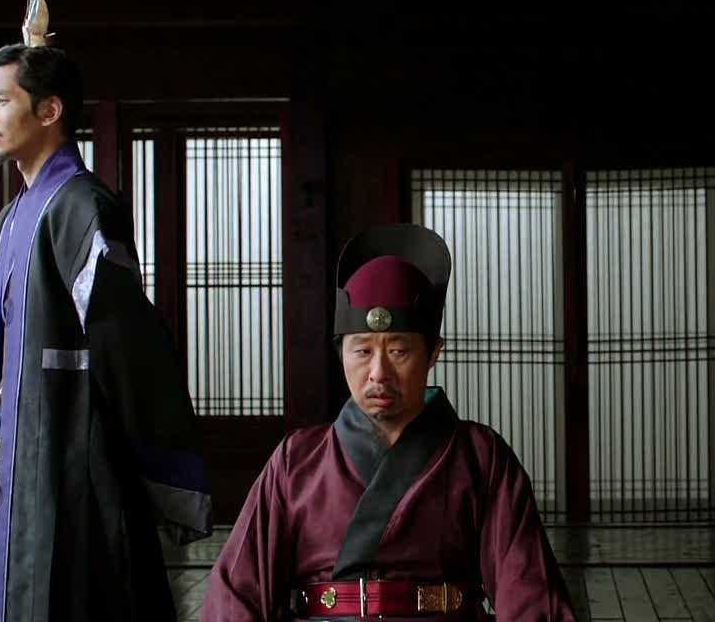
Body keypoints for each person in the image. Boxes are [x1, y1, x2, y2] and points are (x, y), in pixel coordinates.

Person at [0, 0, 212, 622]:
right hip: (13, 466)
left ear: (50, 110)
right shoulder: (13, 216)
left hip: (75, 468)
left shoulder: (80, 205)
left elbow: (129, 346)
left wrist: (165, 470)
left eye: (2, 100)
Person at [202, 223, 578, 621]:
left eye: (398, 351)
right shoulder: (296, 460)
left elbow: (531, 594)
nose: (378, 373)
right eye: (362, 351)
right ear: (341, 353)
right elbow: (236, 594)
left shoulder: (481, 458)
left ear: (433, 353)